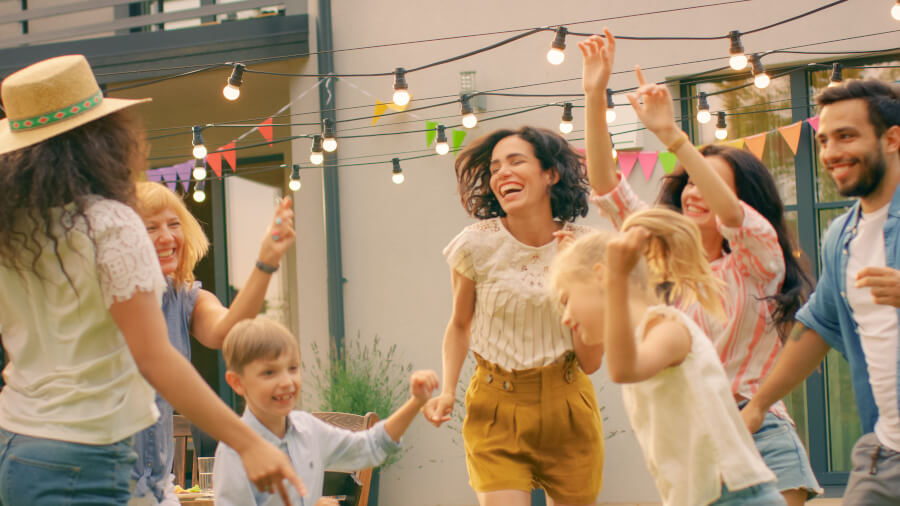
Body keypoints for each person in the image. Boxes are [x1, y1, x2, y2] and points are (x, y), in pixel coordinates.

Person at [0, 54, 304, 505]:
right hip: (85, 457)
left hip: (18, 449)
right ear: (99, 140)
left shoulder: (13, 233)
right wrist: (249, 441)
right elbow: (155, 359)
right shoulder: (110, 226)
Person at [579, 32, 820, 504]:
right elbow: (608, 188)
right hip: (695, 442)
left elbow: (732, 216)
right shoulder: (663, 258)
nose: (693, 192)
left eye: (707, 185)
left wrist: (674, 137)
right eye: (687, 181)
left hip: (759, 431)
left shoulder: (757, 260)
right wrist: (593, 95)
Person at [421, 126, 604, 506]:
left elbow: (591, 362)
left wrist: (579, 284)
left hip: (568, 407)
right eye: (494, 167)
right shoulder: (476, 244)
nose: (502, 173)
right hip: (495, 408)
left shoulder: (586, 247)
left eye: (516, 161)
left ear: (550, 174)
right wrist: (448, 391)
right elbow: (459, 324)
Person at [550, 208, 784, 505]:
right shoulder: (643, 336)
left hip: (736, 496)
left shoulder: (669, 330)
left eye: (566, 300)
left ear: (601, 277)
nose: (567, 318)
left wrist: (616, 279)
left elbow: (623, 369)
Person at [742, 79, 900, 504]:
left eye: (847, 136)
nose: (830, 153)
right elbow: (817, 326)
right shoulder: (841, 235)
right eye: (825, 139)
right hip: (885, 450)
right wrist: (760, 403)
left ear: (892, 139)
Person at [129, 181, 296, 505]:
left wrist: (266, 263)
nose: (167, 237)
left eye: (174, 224)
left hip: (157, 487)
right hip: (104, 484)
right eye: (151, 227)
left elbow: (226, 330)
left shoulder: (183, 296)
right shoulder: (107, 300)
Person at [213, 317, 439, 505]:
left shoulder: (308, 429)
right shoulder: (234, 451)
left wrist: (415, 402)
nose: (286, 382)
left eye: (292, 368)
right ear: (237, 383)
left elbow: (370, 446)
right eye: (269, 373)